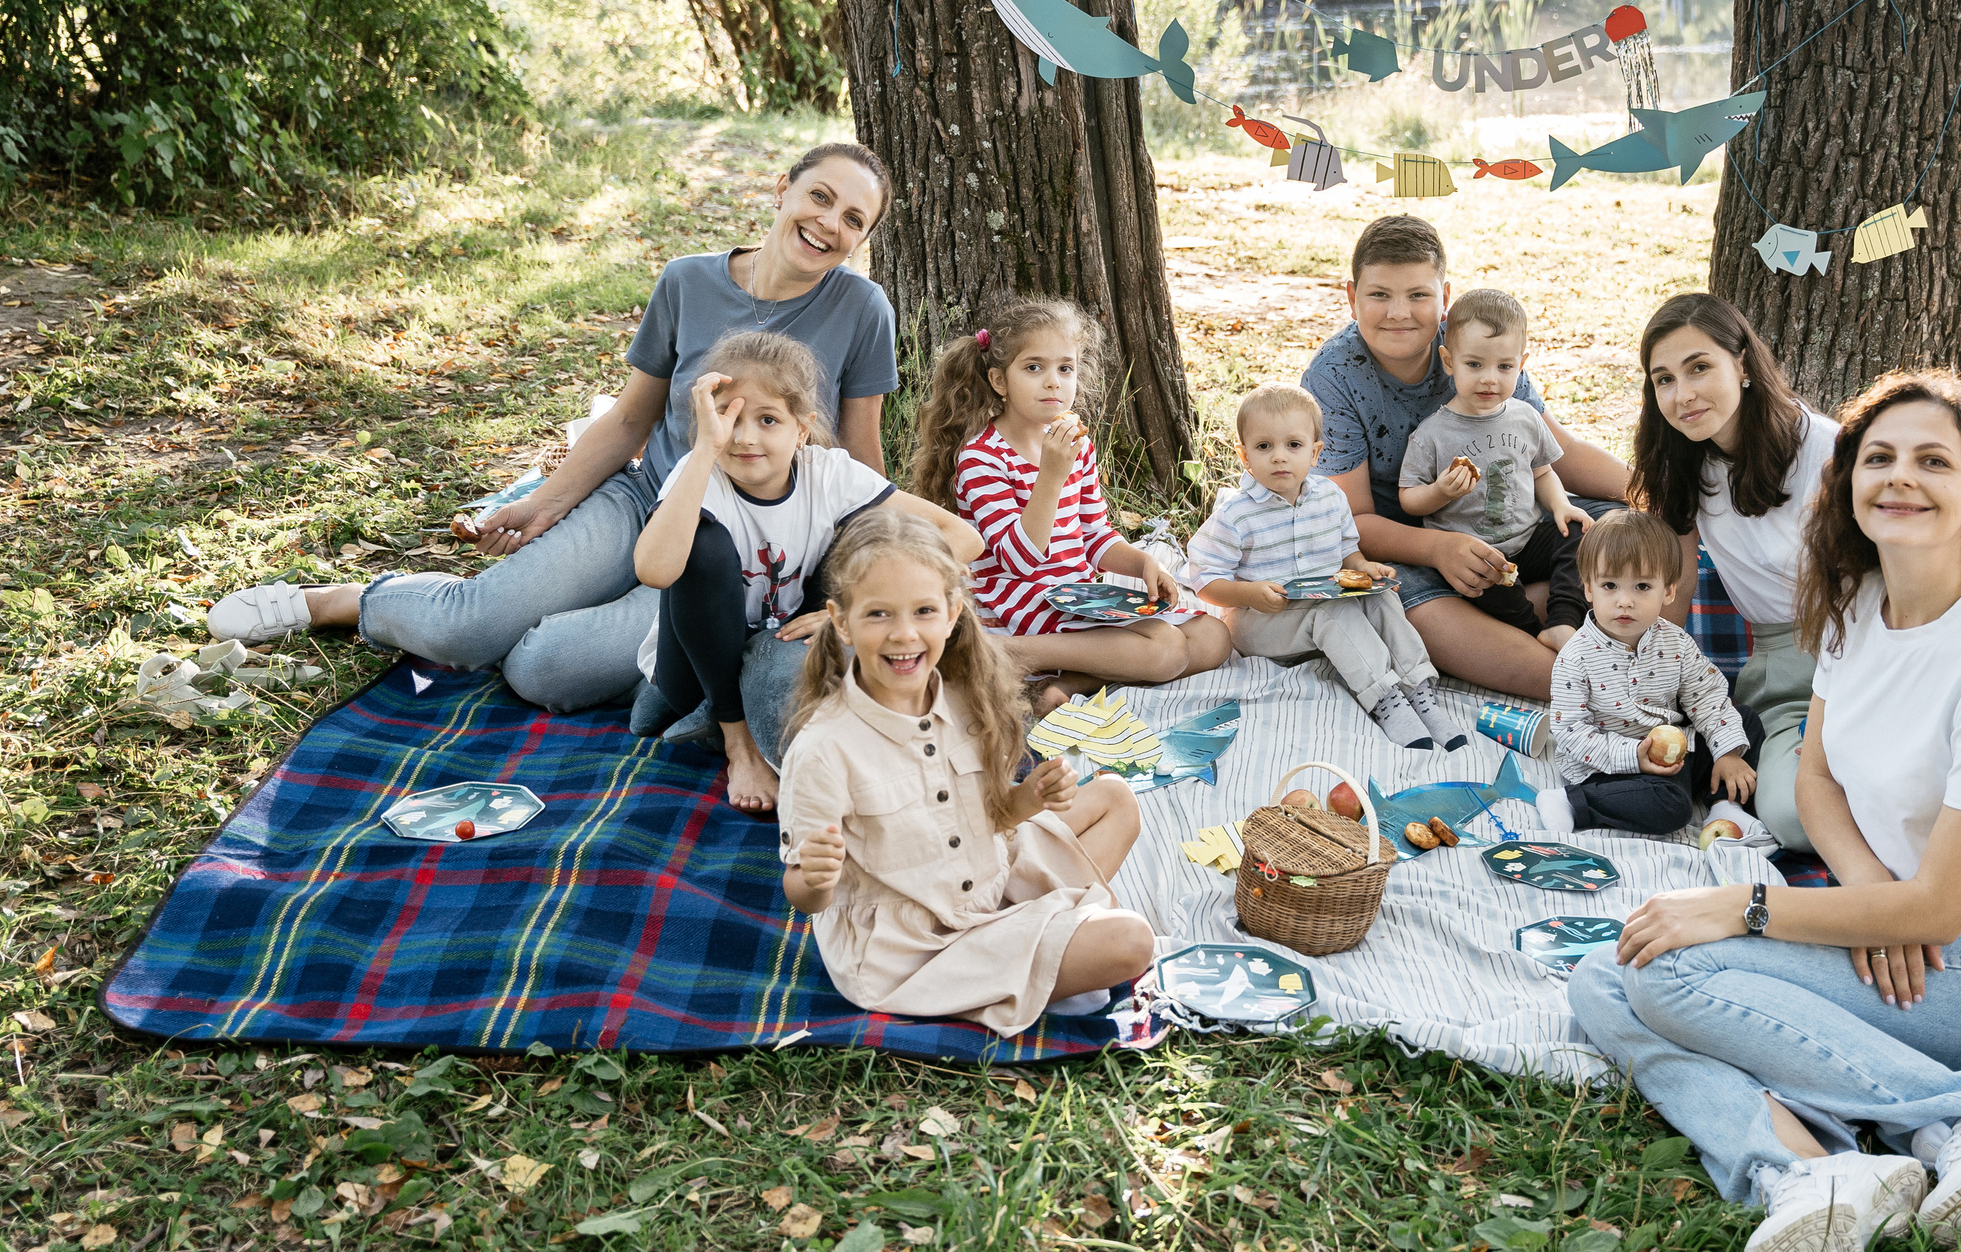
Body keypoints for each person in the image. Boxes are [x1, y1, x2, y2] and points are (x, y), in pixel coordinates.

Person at [1569, 371, 1961, 1252]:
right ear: (1847, 481)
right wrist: (1862, 904)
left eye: (1934, 460)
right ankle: (1819, 1167)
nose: (1900, 477)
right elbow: (1813, 775)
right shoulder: (1856, 604)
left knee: (1678, 961)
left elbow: (1940, 903)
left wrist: (1746, 904)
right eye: (1878, 457)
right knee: (1608, 971)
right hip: (1889, 916)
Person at [205, 143, 903, 730]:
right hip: (645, 499)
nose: (827, 224)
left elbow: (863, 463)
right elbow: (631, 419)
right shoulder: (688, 281)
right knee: (470, 627)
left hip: (733, 553)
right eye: (819, 196)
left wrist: (848, 597)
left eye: (852, 219)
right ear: (782, 189)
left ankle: (677, 650)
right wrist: (546, 503)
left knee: (541, 667)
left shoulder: (862, 309)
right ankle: (344, 600)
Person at [776, 514, 1156, 1035]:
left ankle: (1039, 952)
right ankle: (1030, 962)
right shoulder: (824, 748)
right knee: (1131, 941)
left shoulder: (964, 695)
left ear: (953, 613)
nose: (903, 634)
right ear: (840, 622)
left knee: (1117, 798)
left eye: (924, 611)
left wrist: (1031, 797)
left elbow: (996, 816)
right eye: (879, 614)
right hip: (917, 943)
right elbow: (801, 892)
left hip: (992, 877)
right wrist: (816, 880)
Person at [630, 333, 983, 812]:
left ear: (802, 429)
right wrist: (703, 452)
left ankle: (697, 722)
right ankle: (735, 738)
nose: (744, 437)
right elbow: (654, 570)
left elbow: (962, 536)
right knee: (703, 544)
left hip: (783, 643)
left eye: (768, 420)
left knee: (866, 531)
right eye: (728, 419)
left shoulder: (827, 472)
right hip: (697, 664)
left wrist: (857, 611)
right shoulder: (698, 475)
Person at [1302, 215, 1628, 700]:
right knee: (1413, 611)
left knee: (1622, 529)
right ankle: (1593, 686)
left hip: (1508, 520)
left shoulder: (1475, 344)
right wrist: (1439, 550)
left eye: (1418, 295)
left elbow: (1558, 451)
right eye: (1379, 295)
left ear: (1444, 297)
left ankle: (1562, 620)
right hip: (1407, 543)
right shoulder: (1334, 377)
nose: (1398, 312)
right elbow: (1353, 520)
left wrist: (1648, 489)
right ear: (1351, 298)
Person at [909, 296, 1230, 708]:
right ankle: (1010, 652)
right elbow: (1019, 560)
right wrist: (1051, 475)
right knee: (1166, 648)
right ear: (999, 381)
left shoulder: (1075, 445)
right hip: (1016, 601)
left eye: (1065, 368)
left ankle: (1065, 684)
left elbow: (1094, 535)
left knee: (1213, 638)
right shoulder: (982, 457)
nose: (1052, 382)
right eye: (1033, 368)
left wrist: (1142, 563)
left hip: (1075, 595)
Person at [1630, 292, 1836, 850]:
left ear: (1742, 365)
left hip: (1866, 648)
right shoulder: (1683, 465)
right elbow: (1676, 592)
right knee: (1795, 820)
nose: (1683, 395)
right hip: (1785, 670)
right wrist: (1645, 684)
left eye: (1700, 368)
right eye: (1664, 379)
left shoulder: (1827, 450)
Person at [1183, 384, 1462, 751]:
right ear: (1244, 455)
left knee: (1382, 600)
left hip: (1320, 606)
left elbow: (1348, 552)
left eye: (1293, 445)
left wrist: (1366, 567)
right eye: (1264, 446)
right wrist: (1248, 593)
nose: (1279, 457)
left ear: (1315, 453)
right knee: (1331, 613)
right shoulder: (1236, 514)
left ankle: (1418, 689)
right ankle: (1384, 699)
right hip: (1260, 623)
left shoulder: (1330, 498)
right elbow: (1204, 578)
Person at [1397, 288, 1593, 649]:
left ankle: (1564, 620)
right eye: (1474, 364)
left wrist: (1562, 506)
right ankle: (1530, 632)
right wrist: (1440, 492)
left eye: (1504, 366)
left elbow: (1542, 471)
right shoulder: (1433, 435)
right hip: (1476, 554)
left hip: (1528, 537)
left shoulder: (1525, 416)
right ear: (1448, 360)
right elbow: (1409, 498)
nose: (1490, 379)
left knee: (1582, 536)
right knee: (1486, 585)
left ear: (1521, 363)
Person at [1542, 509, 1756, 836]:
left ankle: (1724, 805)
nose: (1624, 601)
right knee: (1671, 807)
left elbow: (1708, 696)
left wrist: (1727, 752)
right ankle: (1574, 801)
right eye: (1610, 585)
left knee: (1746, 721)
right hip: (1608, 768)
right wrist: (1634, 757)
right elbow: (1570, 732)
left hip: (1670, 748)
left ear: (1667, 591)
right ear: (1588, 589)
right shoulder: (1576, 656)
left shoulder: (1675, 643)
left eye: (1642, 586)